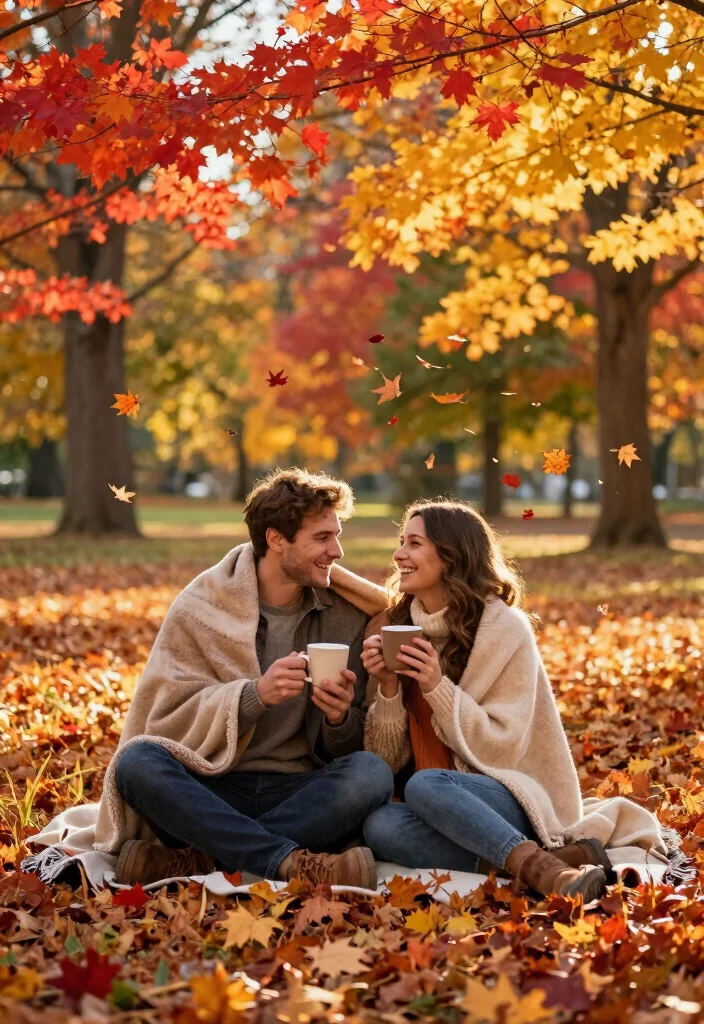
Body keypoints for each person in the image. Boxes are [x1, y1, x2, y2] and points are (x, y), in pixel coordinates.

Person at [96, 468, 393, 889]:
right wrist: (254, 696)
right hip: (211, 786)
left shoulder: (345, 618)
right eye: (322, 538)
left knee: (371, 773)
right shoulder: (203, 606)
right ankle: (289, 862)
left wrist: (338, 719)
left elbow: (347, 746)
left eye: (337, 535)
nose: (338, 551)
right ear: (276, 540)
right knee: (137, 762)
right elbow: (165, 715)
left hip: (299, 791)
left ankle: (198, 858)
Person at [361, 499, 613, 901]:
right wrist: (388, 688)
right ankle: (542, 860)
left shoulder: (502, 629)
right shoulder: (397, 627)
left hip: (508, 790)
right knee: (379, 825)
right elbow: (386, 762)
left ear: (451, 555)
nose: (399, 554)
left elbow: (503, 745)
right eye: (401, 541)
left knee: (426, 785)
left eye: (414, 543)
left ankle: (544, 871)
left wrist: (435, 686)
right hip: (441, 803)